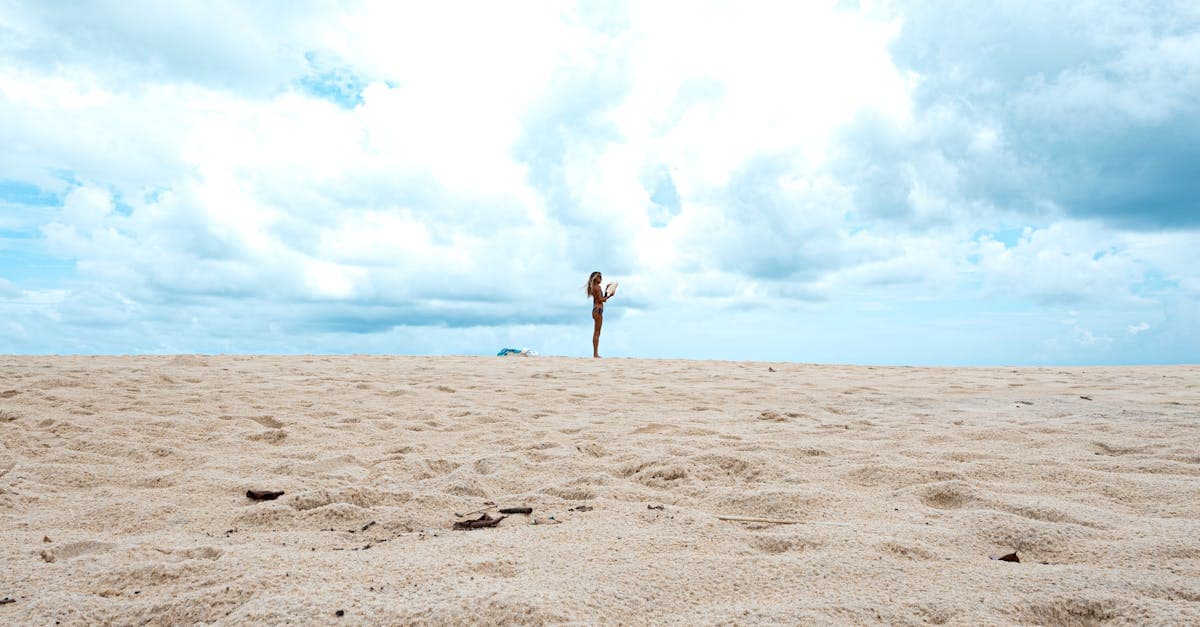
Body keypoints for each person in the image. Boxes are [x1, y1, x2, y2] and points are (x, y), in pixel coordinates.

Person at [585, 270, 613, 358]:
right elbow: (602, 300)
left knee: (596, 333)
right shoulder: (598, 287)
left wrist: (606, 291)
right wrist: (610, 295)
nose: (601, 278)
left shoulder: (593, 287)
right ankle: (595, 354)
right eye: (599, 277)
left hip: (595, 310)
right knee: (597, 333)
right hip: (598, 310)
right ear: (595, 278)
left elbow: (599, 298)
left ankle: (595, 353)